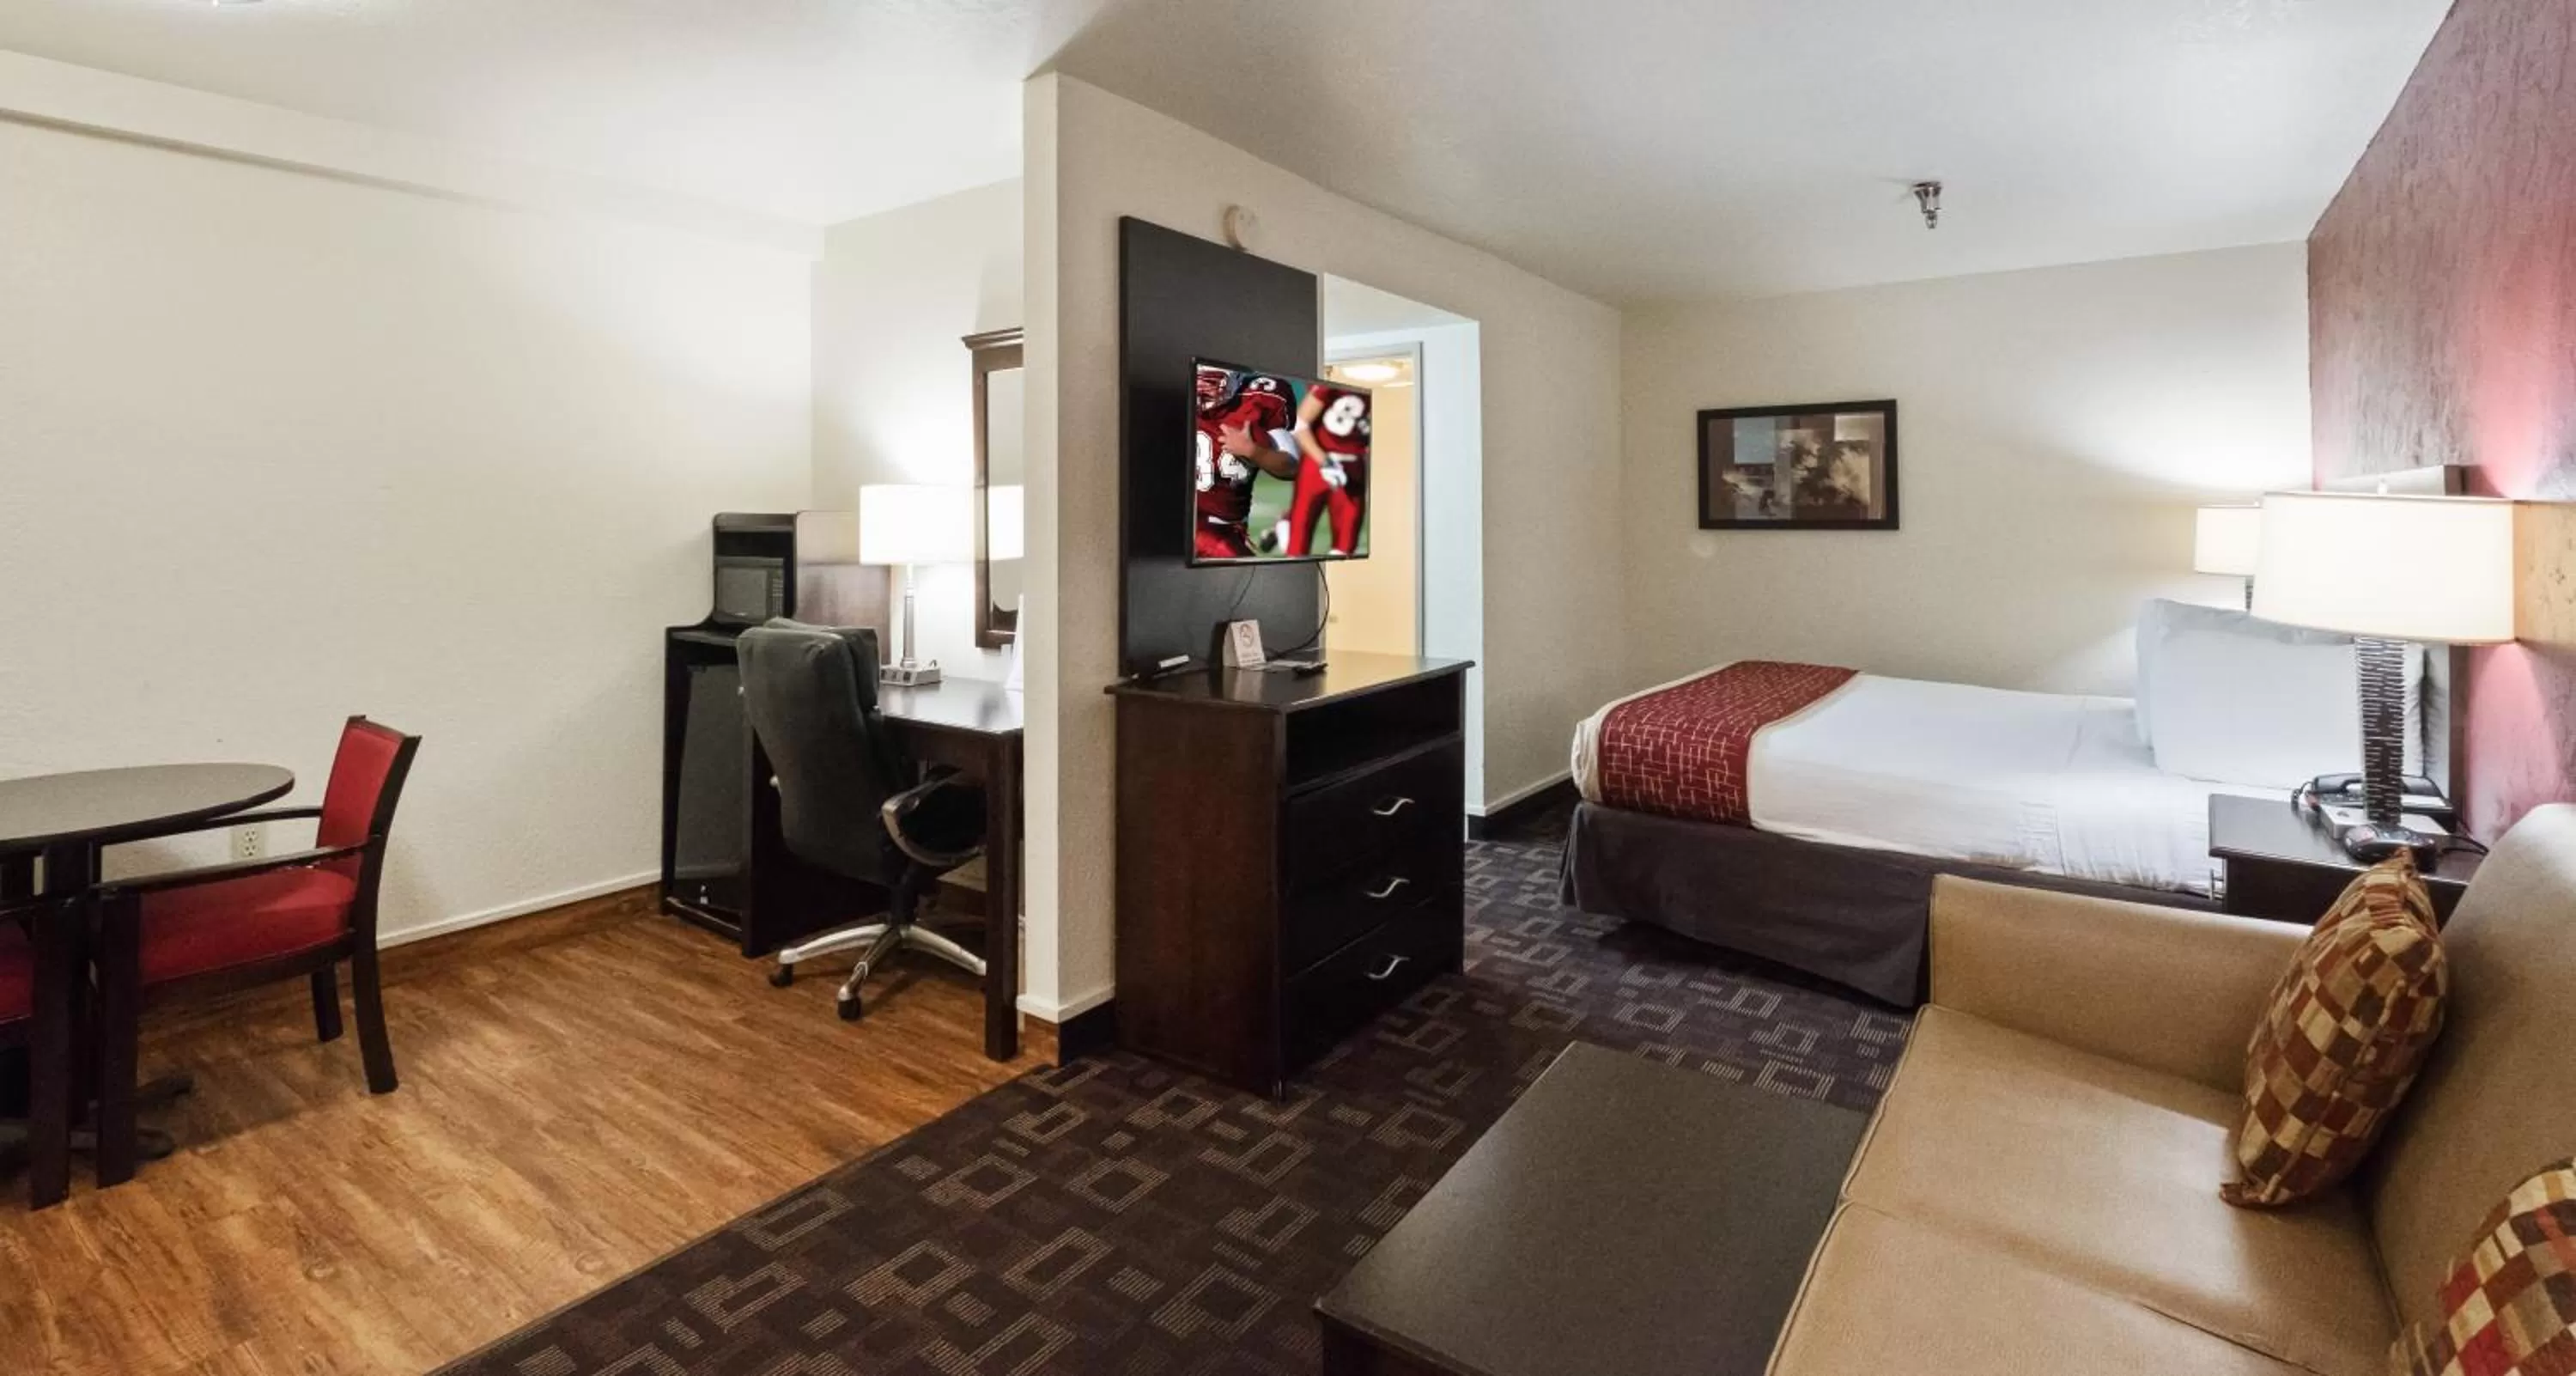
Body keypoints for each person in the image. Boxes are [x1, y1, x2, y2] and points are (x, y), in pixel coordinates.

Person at [1192, 368, 1299, 560]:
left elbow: (1291, 466)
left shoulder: (1259, 399)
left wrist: (1252, 451)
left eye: (1210, 384)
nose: (1201, 392)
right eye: (1197, 383)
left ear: (1235, 380)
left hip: (1229, 528)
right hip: (1199, 528)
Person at [1284, 383, 1371, 556]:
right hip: (1318, 462)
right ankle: (1286, 523)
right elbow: (1300, 423)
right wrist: (1324, 461)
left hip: (1354, 465)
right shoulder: (1333, 383)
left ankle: (1285, 522)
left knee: (1346, 548)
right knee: (1299, 539)